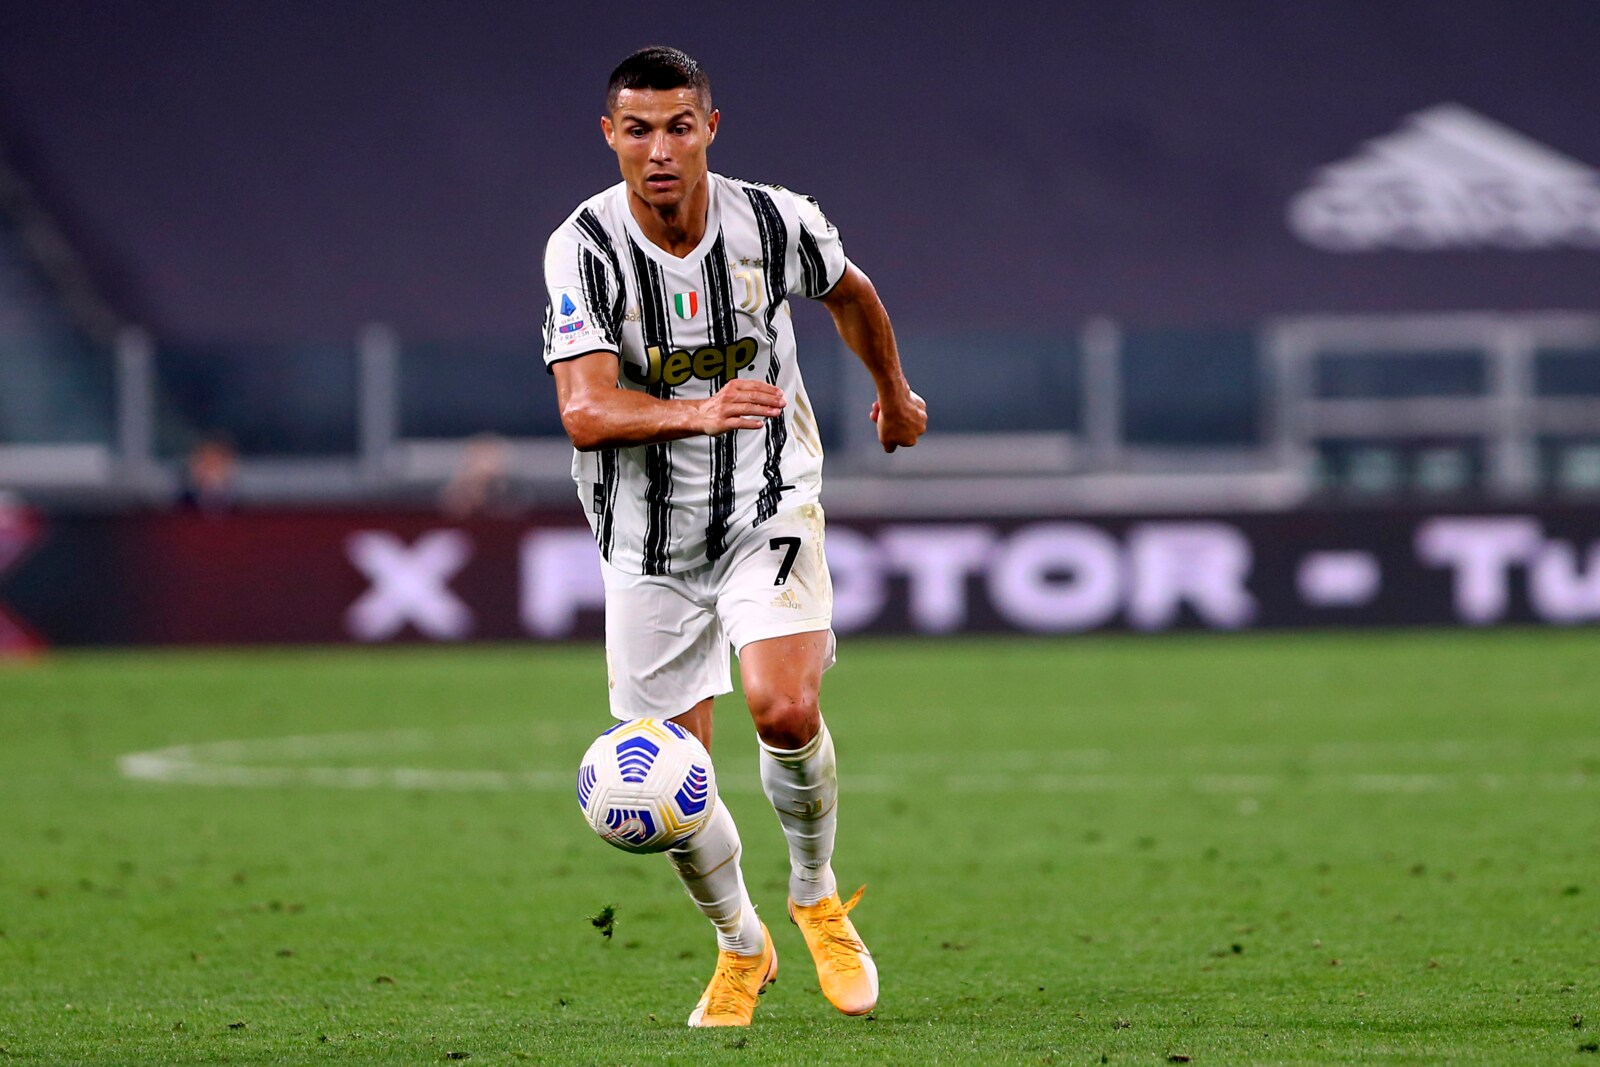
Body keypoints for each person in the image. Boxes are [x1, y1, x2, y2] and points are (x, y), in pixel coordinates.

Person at [542, 46, 927, 1028]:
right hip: (643, 538)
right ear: (609, 136)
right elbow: (584, 411)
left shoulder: (773, 221)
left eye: (679, 127)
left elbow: (852, 293)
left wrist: (892, 393)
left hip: (768, 501)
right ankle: (741, 944)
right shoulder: (582, 246)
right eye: (638, 130)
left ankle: (816, 894)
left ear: (709, 128)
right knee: (670, 780)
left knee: (784, 707)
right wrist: (696, 411)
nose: (659, 150)